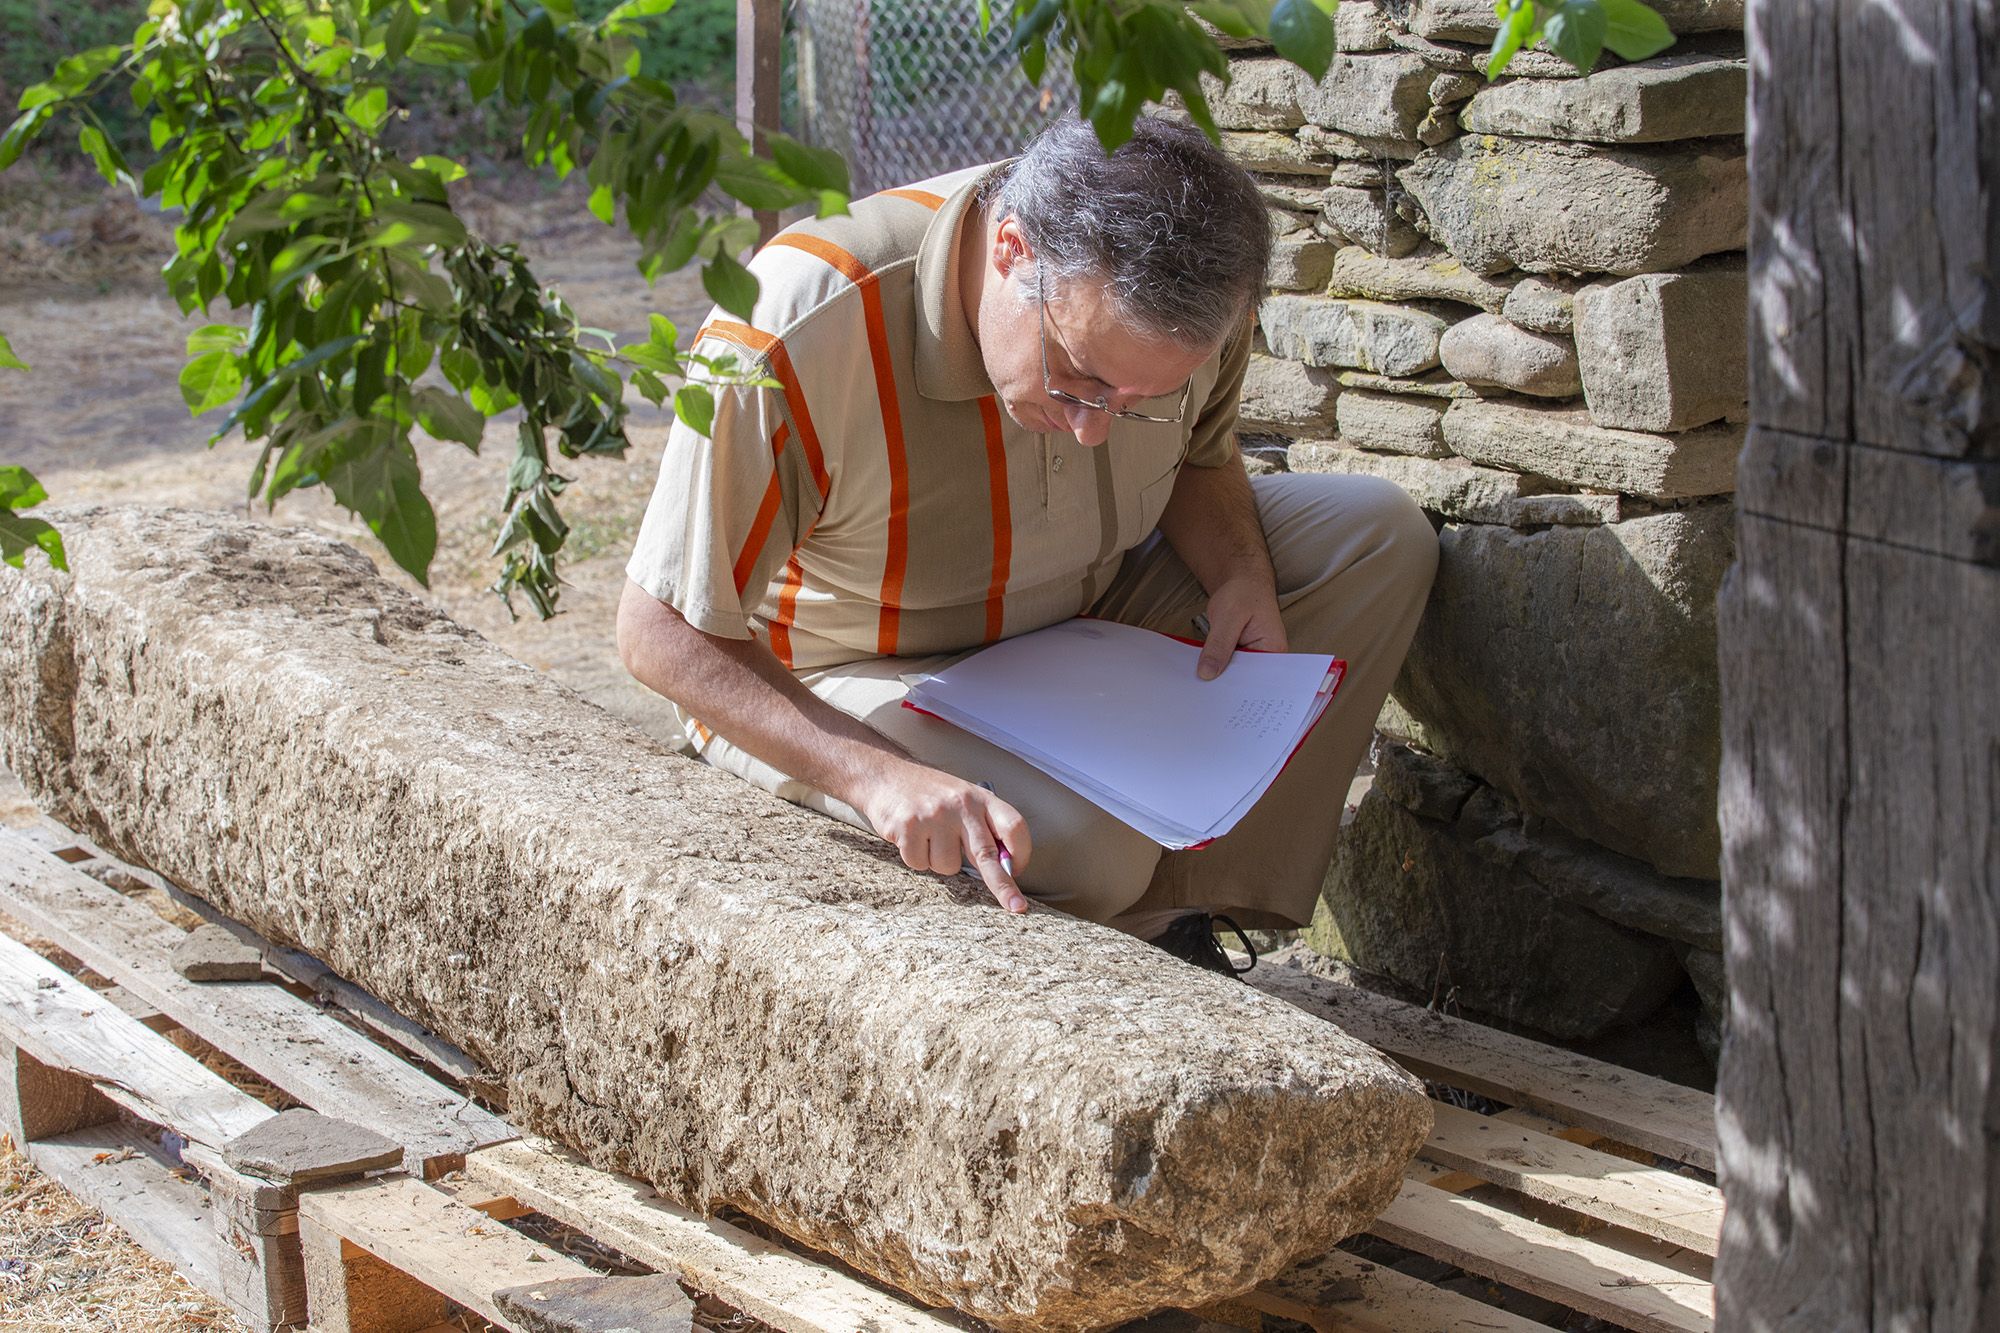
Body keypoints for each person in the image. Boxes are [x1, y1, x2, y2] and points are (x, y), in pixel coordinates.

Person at [617, 114, 1437, 975]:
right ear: (1010, 247)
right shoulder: (802, 317)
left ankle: (1181, 919)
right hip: (843, 666)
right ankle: (1136, 947)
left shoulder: (1195, 299)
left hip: (1071, 623)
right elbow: (656, 629)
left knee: (1379, 540)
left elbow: (1203, 453)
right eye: (1076, 379)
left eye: (1137, 400)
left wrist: (1240, 573)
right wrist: (876, 775)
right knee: (1086, 845)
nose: (1094, 431)